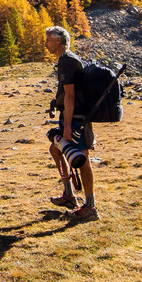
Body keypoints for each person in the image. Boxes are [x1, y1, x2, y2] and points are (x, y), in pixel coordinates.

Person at [44, 25, 98, 222]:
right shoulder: (66, 60)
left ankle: (90, 207)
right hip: (71, 116)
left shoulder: (67, 61)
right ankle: (69, 195)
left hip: (76, 119)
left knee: (82, 160)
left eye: (48, 40)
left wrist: (67, 126)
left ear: (58, 40)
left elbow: (70, 95)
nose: (46, 44)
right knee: (56, 149)